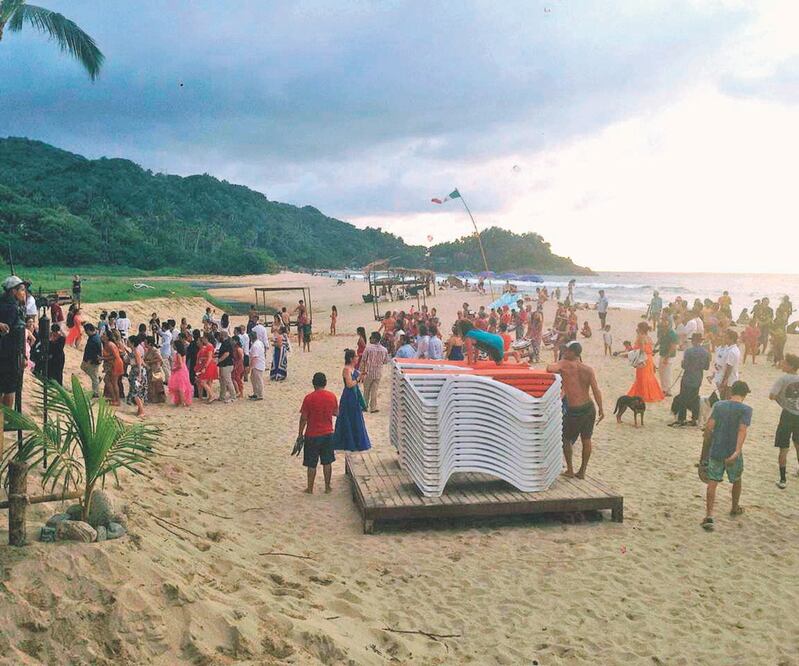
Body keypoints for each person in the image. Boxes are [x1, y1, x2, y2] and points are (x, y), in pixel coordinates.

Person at [547, 341, 604, 478]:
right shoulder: (588, 369)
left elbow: (549, 368)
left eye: (566, 350)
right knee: (586, 439)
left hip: (575, 410)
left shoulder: (565, 364)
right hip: (589, 407)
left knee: (565, 439)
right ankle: (582, 471)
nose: (565, 352)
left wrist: (560, 361)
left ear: (573, 352)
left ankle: (571, 470)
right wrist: (601, 408)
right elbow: (596, 390)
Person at [700, 381, 751, 531]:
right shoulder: (746, 409)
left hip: (716, 449)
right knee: (736, 479)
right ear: (745, 394)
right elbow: (742, 430)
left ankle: (709, 516)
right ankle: (734, 507)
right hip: (732, 450)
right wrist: (736, 452)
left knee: (712, 482)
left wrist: (705, 450)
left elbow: (709, 428)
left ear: (731, 391)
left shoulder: (719, 405)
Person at [298, 372, 339, 494]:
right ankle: (327, 487)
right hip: (327, 433)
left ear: (313, 383)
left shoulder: (309, 398)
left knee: (311, 463)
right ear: (325, 383)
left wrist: (300, 434)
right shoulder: (331, 396)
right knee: (327, 462)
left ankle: (310, 488)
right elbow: (336, 413)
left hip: (312, 434)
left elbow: (304, 418)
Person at [333, 349, 371, 452]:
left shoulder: (354, 369)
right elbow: (349, 384)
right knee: (348, 417)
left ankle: (356, 441)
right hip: (349, 396)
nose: (357, 358)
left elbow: (359, 380)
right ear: (351, 358)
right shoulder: (346, 369)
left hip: (354, 394)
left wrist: (362, 376)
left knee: (355, 417)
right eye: (355, 356)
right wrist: (358, 378)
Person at [770, 354, 799, 489]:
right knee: (798, 444)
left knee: (784, 447)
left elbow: (772, 395)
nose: (782, 364)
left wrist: (781, 402)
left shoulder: (783, 379)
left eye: (785, 363)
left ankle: (783, 479)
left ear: (791, 366)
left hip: (787, 414)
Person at [670, 333, 710, 427]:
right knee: (695, 398)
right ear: (700, 341)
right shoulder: (705, 352)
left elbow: (685, 366)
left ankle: (681, 419)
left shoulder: (689, 351)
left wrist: (682, 363)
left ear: (693, 341)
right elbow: (706, 367)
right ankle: (694, 419)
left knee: (683, 398)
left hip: (688, 377)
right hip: (698, 377)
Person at [627, 322, 665, 403]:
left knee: (641, 376)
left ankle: (642, 394)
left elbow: (641, 350)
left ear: (640, 329)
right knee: (649, 376)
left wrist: (635, 359)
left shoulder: (640, 337)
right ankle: (650, 393)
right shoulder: (648, 337)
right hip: (649, 359)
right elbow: (650, 350)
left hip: (643, 359)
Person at [360, 332, 389, 413]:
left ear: (374, 339)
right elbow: (386, 361)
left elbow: (363, 360)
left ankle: (364, 406)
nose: (370, 339)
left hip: (368, 372)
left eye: (371, 337)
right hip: (378, 372)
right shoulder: (384, 349)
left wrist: (361, 372)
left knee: (366, 390)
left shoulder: (368, 348)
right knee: (374, 390)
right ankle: (373, 407)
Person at [713, 329, 741, 400]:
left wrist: (723, 382)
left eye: (726, 337)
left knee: (726, 400)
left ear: (731, 339)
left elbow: (729, 368)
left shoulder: (732, 351)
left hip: (729, 381)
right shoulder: (732, 349)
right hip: (730, 379)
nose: (724, 339)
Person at [656, 312, 678, 397]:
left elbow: (673, 347)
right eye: (662, 320)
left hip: (669, 356)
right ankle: (664, 389)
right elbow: (660, 340)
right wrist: (655, 347)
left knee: (667, 373)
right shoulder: (663, 331)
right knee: (661, 372)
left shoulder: (672, 333)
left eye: (665, 321)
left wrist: (667, 357)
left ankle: (668, 390)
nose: (663, 322)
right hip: (662, 353)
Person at [168, 339, 193, 407]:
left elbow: (180, 365)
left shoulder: (178, 354)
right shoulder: (183, 353)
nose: (173, 346)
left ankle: (182, 402)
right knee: (184, 386)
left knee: (180, 387)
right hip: (184, 370)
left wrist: (173, 369)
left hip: (179, 371)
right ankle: (182, 401)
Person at [101, 331, 124, 406]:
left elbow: (115, 356)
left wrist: (103, 358)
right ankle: (114, 398)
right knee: (108, 380)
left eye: (104, 334)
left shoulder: (110, 344)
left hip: (116, 364)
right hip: (113, 363)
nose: (102, 335)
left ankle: (116, 400)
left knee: (114, 382)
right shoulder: (107, 344)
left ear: (107, 337)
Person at [195, 332, 219, 403]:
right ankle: (210, 396)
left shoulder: (209, 346)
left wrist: (205, 367)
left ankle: (212, 395)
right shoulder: (207, 346)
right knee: (208, 381)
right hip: (207, 364)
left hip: (208, 365)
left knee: (203, 381)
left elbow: (209, 358)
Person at [81, 323, 103, 398]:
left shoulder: (94, 340)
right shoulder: (94, 336)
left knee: (94, 376)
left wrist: (89, 361)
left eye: (86, 331)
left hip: (93, 360)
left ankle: (96, 393)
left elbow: (94, 353)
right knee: (84, 368)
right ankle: (97, 378)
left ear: (89, 330)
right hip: (90, 359)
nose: (86, 333)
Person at [143, 336, 166, 404]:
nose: (144, 343)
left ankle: (158, 399)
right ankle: (152, 398)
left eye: (146, 342)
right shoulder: (148, 350)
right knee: (151, 384)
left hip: (155, 369)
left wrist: (150, 362)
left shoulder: (154, 350)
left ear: (149, 343)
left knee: (157, 385)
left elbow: (160, 359)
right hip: (150, 369)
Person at [216, 330, 236, 403]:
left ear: (222, 336)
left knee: (228, 381)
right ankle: (222, 396)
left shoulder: (226, 343)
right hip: (224, 364)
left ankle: (233, 396)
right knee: (222, 381)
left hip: (226, 364)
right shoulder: (225, 342)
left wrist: (219, 360)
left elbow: (226, 354)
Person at [248, 331, 266, 400]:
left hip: (257, 365)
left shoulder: (255, 345)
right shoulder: (259, 343)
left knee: (258, 380)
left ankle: (260, 395)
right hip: (258, 364)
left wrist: (251, 367)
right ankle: (256, 393)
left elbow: (254, 358)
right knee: (253, 379)